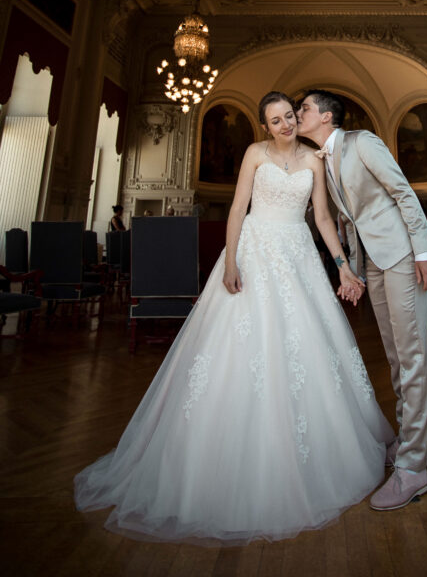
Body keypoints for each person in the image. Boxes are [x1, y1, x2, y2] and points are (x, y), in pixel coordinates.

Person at [74, 91, 393, 544]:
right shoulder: (253, 154)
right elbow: (238, 208)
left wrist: (343, 264)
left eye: (289, 117)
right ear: (264, 126)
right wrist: (229, 263)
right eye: (275, 120)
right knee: (240, 347)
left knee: (306, 350)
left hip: (298, 256)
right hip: (254, 252)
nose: (284, 124)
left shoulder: (314, 160)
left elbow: (322, 218)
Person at [296, 89, 427, 511]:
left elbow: (403, 192)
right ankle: (415, 444)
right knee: (396, 356)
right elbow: (345, 218)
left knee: (413, 355)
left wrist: (424, 250)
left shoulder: (362, 143)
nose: (297, 114)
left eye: (303, 109)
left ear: (325, 117)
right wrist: (351, 267)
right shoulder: (324, 160)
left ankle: (413, 468)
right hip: (370, 262)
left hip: (400, 256)